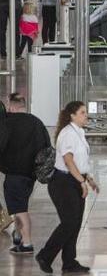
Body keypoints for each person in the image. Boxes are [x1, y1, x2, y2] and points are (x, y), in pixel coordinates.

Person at [35, 101, 98, 274]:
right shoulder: (68, 133)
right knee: (69, 222)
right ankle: (45, 255)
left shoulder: (79, 132)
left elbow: (79, 161)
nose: (86, 115)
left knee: (75, 223)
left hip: (74, 180)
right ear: (72, 115)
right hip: (63, 183)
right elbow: (68, 161)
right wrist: (81, 181)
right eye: (83, 112)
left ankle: (69, 262)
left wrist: (88, 178)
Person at [0, 93, 49, 255]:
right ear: (23, 104)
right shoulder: (37, 122)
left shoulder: (7, 123)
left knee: (20, 210)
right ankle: (18, 237)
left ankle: (27, 243)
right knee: (20, 207)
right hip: (30, 175)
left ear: (11, 106)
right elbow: (46, 149)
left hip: (14, 174)